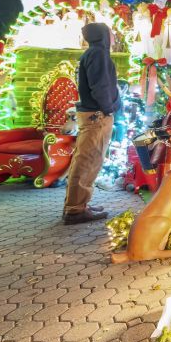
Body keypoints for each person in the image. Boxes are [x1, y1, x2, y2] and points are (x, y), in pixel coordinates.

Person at [63, 22, 120, 224]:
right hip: (97, 116)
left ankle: (78, 204)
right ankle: (76, 210)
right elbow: (101, 87)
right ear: (103, 35)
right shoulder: (98, 54)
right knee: (88, 161)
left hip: (93, 114)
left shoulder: (92, 53)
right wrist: (109, 108)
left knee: (86, 160)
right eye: (110, 33)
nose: (113, 36)